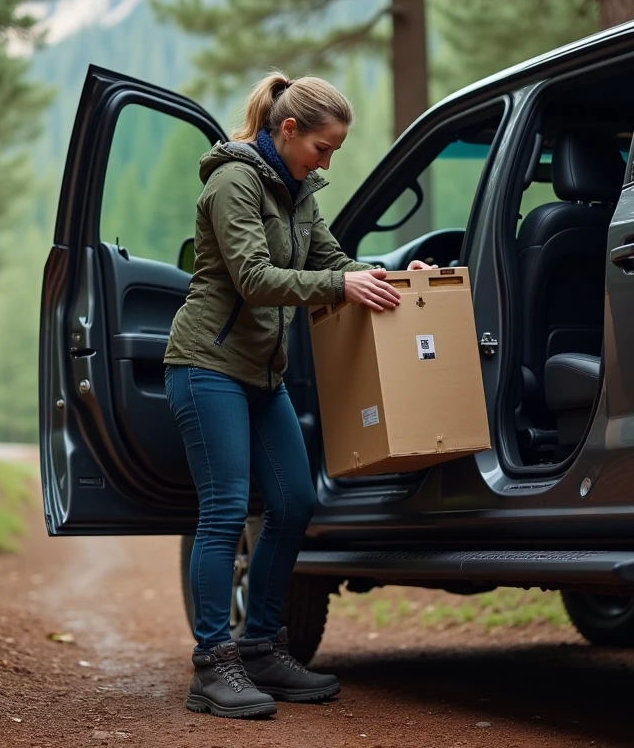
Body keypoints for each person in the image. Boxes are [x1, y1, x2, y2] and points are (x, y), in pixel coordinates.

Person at [163, 70, 434, 719]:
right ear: (288, 129)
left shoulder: (298, 190)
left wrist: (391, 274)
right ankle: (212, 663)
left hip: (261, 373)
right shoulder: (232, 182)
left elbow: (332, 259)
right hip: (206, 363)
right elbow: (254, 278)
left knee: (294, 501)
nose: (327, 161)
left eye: (334, 151)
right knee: (228, 509)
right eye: (323, 148)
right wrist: (340, 290)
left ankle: (260, 647)